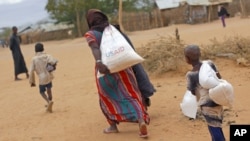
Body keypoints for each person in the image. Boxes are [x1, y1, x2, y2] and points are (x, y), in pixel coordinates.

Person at [84, 9, 149, 138]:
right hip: (124, 67)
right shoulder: (113, 29)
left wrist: (99, 62)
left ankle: (113, 126)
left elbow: (95, 48)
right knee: (131, 94)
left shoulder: (91, 34)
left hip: (104, 70)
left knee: (106, 97)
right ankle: (141, 121)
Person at [184, 45, 225, 141]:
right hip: (219, 99)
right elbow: (219, 77)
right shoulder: (210, 64)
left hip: (207, 106)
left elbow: (192, 92)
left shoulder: (191, 75)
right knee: (217, 126)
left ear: (187, 59)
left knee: (214, 128)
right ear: (200, 54)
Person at [112, 24, 156, 110]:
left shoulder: (120, 38)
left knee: (136, 85)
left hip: (131, 65)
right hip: (129, 65)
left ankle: (142, 107)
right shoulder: (120, 38)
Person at [29, 43, 58, 113]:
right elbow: (54, 61)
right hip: (49, 75)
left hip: (41, 77)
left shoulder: (34, 59)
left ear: (35, 50)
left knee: (42, 92)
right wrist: (53, 66)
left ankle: (48, 102)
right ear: (43, 48)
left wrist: (32, 81)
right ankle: (50, 101)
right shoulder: (48, 56)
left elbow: (31, 71)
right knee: (49, 89)